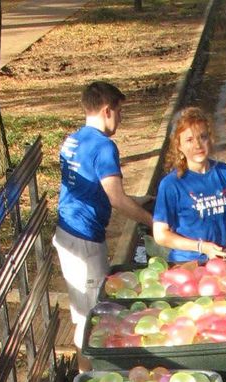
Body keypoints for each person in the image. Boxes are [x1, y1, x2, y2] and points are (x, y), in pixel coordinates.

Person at [54, 81, 154, 357]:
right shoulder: (104, 147)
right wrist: (152, 222)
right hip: (84, 240)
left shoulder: (73, 140)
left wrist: (137, 200)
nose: (120, 118)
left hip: (67, 231)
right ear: (107, 111)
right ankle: (87, 372)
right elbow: (116, 199)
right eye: (120, 112)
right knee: (91, 315)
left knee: (85, 309)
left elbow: (91, 186)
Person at [153, 107, 226, 262]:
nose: (197, 145)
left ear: (210, 139)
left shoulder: (224, 172)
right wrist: (201, 247)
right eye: (189, 140)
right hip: (187, 263)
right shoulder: (171, 184)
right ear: (179, 145)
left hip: (222, 261)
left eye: (202, 137)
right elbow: (160, 235)